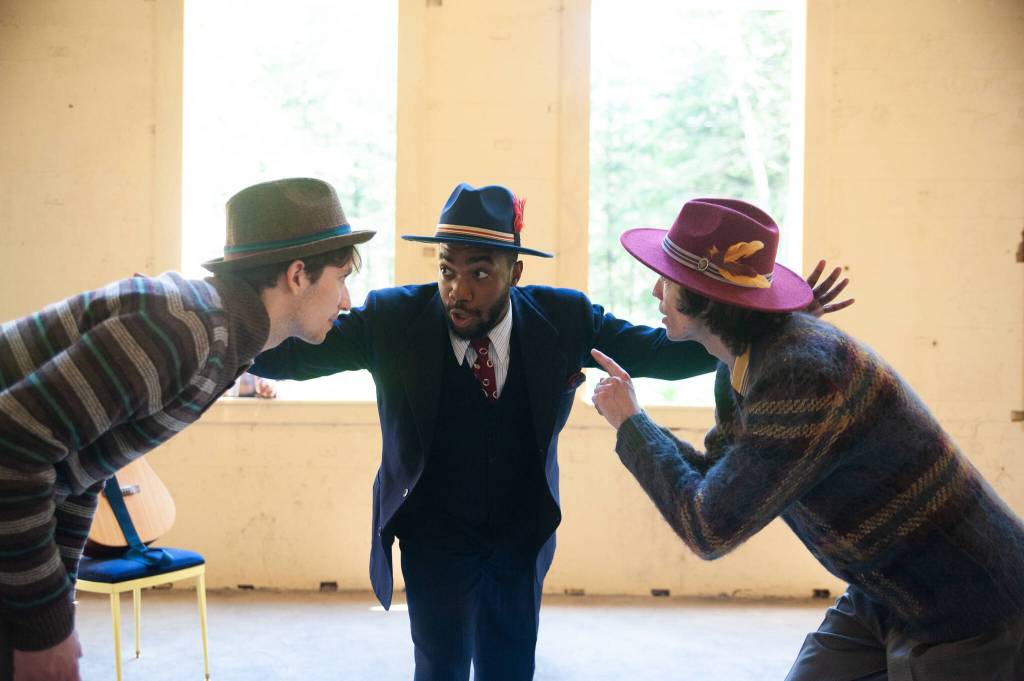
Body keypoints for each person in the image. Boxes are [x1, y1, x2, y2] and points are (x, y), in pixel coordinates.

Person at [250, 183, 849, 680]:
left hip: (520, 534)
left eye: (480, 272)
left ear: (514, 270)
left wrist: (770, 322)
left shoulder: (564, 318)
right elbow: (285, 355)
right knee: (438, 667)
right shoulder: (393, 318)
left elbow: (667, 353)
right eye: (447, 270)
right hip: (432, 537)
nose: (458, 289)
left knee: (510, 667)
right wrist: (219, 320)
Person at [589, 197, 1024, 680]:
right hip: (882, 591)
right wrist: (634, 423)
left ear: (705, 299)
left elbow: (708, 528)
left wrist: (632, 424)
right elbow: (713, 480)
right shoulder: (743, 361)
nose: (655, 291)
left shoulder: (800, 372)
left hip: (967, 605)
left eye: (667, 280)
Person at [0, 177, 373, 681]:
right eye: (343, 276)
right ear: (298, 275)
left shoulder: (220, 340)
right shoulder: (184, 332)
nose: (347, 300)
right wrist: (43, 628)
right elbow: (13, 449)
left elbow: (84, 464)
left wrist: (54, 617)